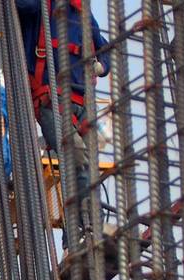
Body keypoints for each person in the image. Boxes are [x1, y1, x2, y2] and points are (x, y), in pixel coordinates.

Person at [15, 0, 113, 211]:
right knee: (78, 160)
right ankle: (85, 228)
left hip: (81, 102)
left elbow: (104, 47)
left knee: (90, 168)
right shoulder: (40, 7)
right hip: (51, 100)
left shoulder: (81, 11)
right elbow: (23, 6)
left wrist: (102, 65)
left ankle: (82, 229)